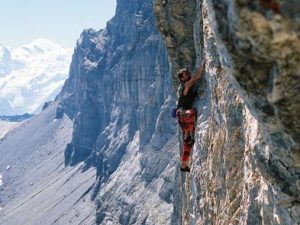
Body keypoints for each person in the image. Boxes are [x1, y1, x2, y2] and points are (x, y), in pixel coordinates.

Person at [176, 62, 205, 172]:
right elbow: (196, 78)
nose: (188, 74)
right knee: (192, 112)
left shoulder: (185, 85)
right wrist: (201, 68)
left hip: (181, 112)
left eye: (187, 72)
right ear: (182, 78)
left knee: (188, 143)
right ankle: (188, 134)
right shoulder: (186, 85)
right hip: (182, 112)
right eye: (185, 74)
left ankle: (183, 165)